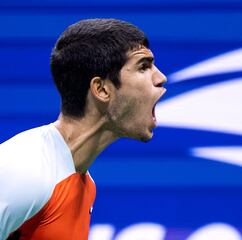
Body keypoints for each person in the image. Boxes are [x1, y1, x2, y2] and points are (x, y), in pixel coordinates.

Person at [0, 18, 167, 239]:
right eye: (143, 66)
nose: (160, 77)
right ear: (102, 89)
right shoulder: (24, 170)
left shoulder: (84, 184)